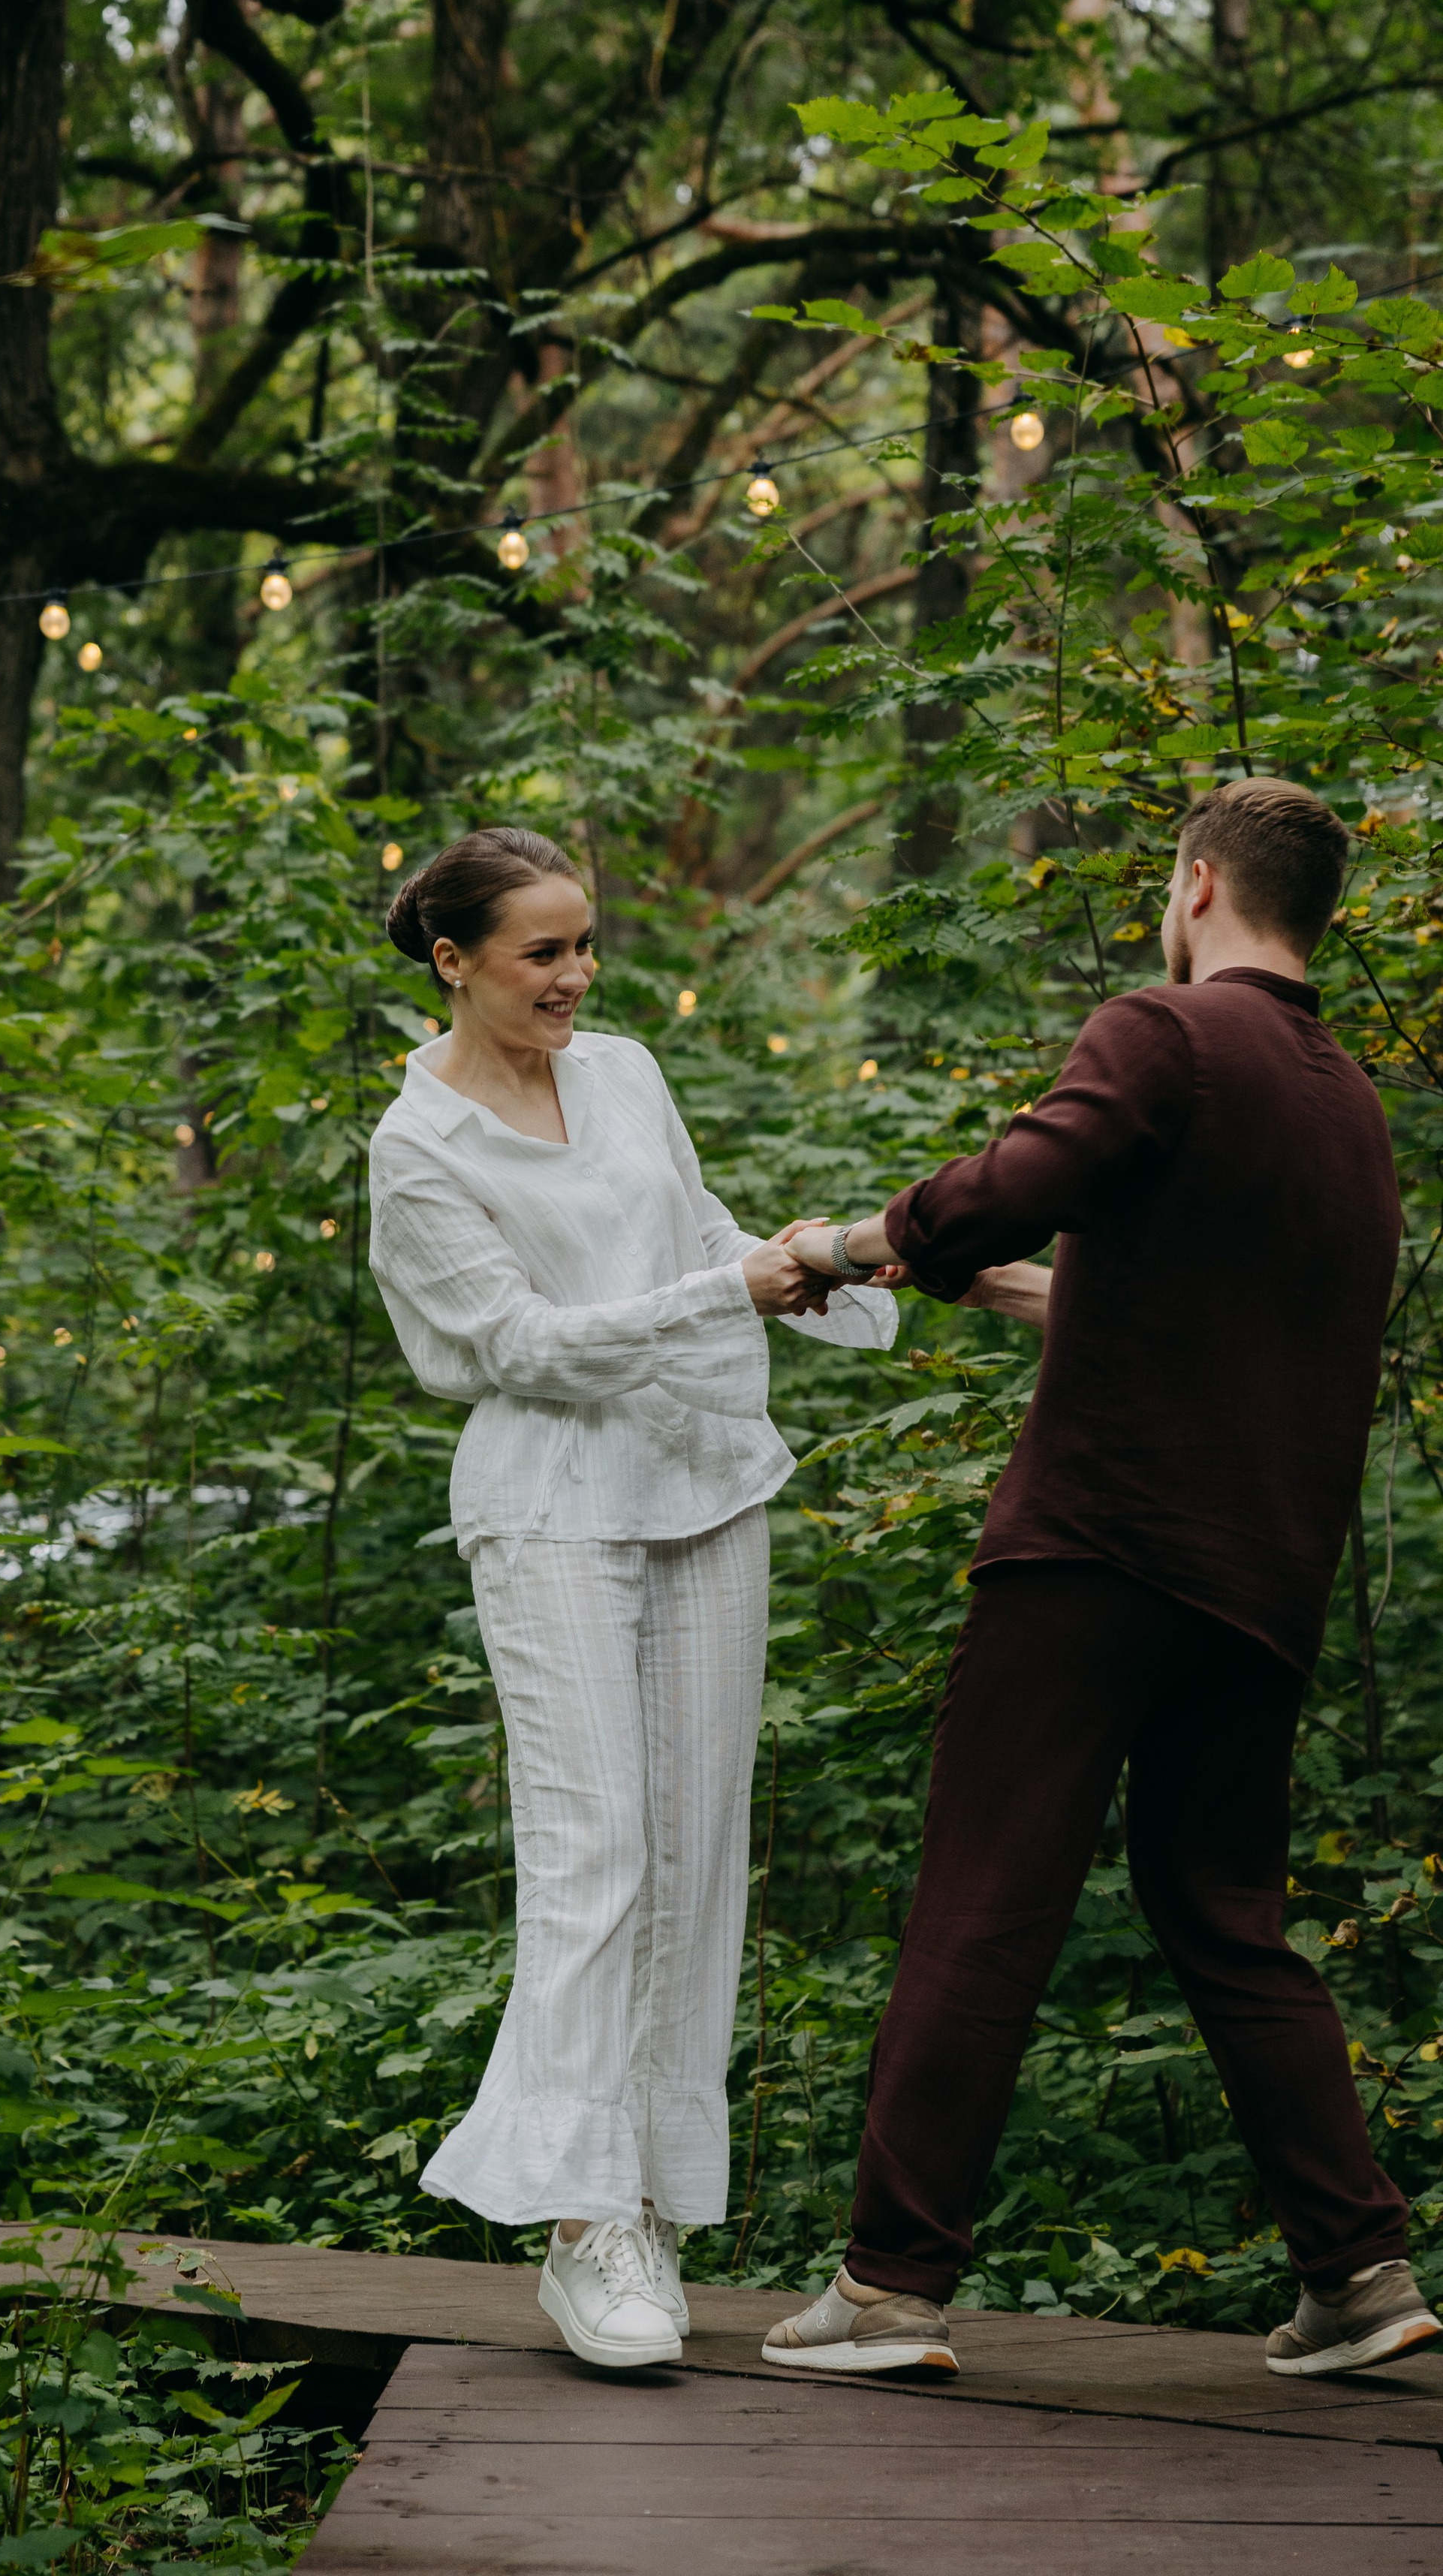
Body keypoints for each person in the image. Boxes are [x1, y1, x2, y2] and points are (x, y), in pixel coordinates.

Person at [760, 776, 1439, 2385]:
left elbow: (1014, 1175)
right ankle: (1354, 2272)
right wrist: (1010, 1298)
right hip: (1257, 1575)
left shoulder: (1162, 1032)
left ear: (1196, 884)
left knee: (982, 1895)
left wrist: (858, 1246)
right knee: (1222, 1913)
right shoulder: (1344, 1103)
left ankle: (886, 2286)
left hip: (1097, 1547)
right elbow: (1231, 1325)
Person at [367, 824, 899, 2370]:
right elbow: (520, 1346)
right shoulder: (417, 1151)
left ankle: (649, 2203)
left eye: (584, 944)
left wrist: (828, 1261)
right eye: (542, 952)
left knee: (691, 1856)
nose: (576, 976)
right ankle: (579, 2226)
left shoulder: (624, 1076)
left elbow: (693, 1244)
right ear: (453, 961)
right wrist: (719, 1291)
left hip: (701, 1479)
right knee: (593, 1853)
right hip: (548, 1513)